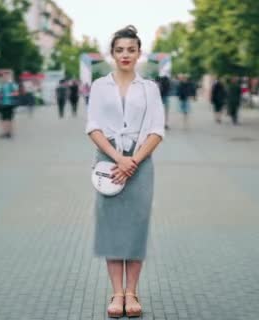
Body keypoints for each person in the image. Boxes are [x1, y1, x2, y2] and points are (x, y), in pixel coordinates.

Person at [85, 25, 165, 318]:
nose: (125, 55)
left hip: (140, 163)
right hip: (108, 160)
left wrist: (133, 160)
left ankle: (131, 292)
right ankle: (116, 293)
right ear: (113, 53)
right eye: (120, 50)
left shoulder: (150, 88)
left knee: (135, 228)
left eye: (131, 49)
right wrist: (118, 158)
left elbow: (157, 130)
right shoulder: (99, 86)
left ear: (139, 53)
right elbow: (92, 127)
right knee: (111, 228)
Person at [0, 73, 19, 138]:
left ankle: (9, 133)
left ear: (9, 77)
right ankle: (5, 132)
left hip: (10, 104)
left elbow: (16, 93)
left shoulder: (12, 84)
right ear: (2, 77)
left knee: (10, 119)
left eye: (7, 76)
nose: (6, 78)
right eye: (4, 77)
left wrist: (9, 95)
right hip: (2, 104)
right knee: (3, 119)